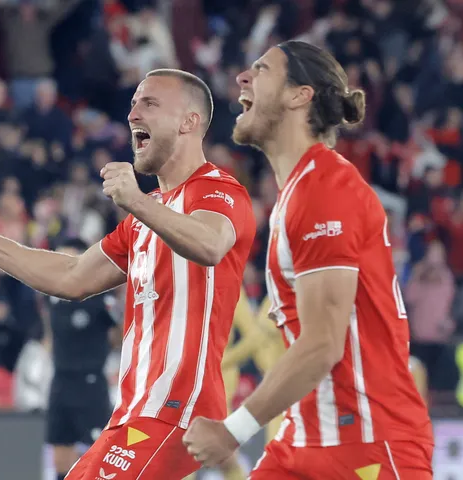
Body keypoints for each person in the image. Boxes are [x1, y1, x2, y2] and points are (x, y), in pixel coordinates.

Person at [0, 68, 256, 480]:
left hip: (179, 408)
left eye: (149, 103)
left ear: (188, 122)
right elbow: (71, 276)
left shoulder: (218, 190)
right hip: (132, 412)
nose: (132, 114)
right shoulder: (144, 218)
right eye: (132, 104)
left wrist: (136, 201)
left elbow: (210, 245)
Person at [183, 40, 434, 479]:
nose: (243, 77)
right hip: (305, 436)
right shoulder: (300, 191)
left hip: (367, 443)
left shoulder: (324, 190)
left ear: (300, 96)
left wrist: (231, 431)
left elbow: (323, 343)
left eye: (262, 69)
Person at [46, 238, 121, 480]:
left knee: (97, 452)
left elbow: (121, 332)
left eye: (67, 259)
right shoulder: (52, 295)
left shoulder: (100, 298)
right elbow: (50, 333)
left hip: (89, 382)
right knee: (60, 454)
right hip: (60, 381)